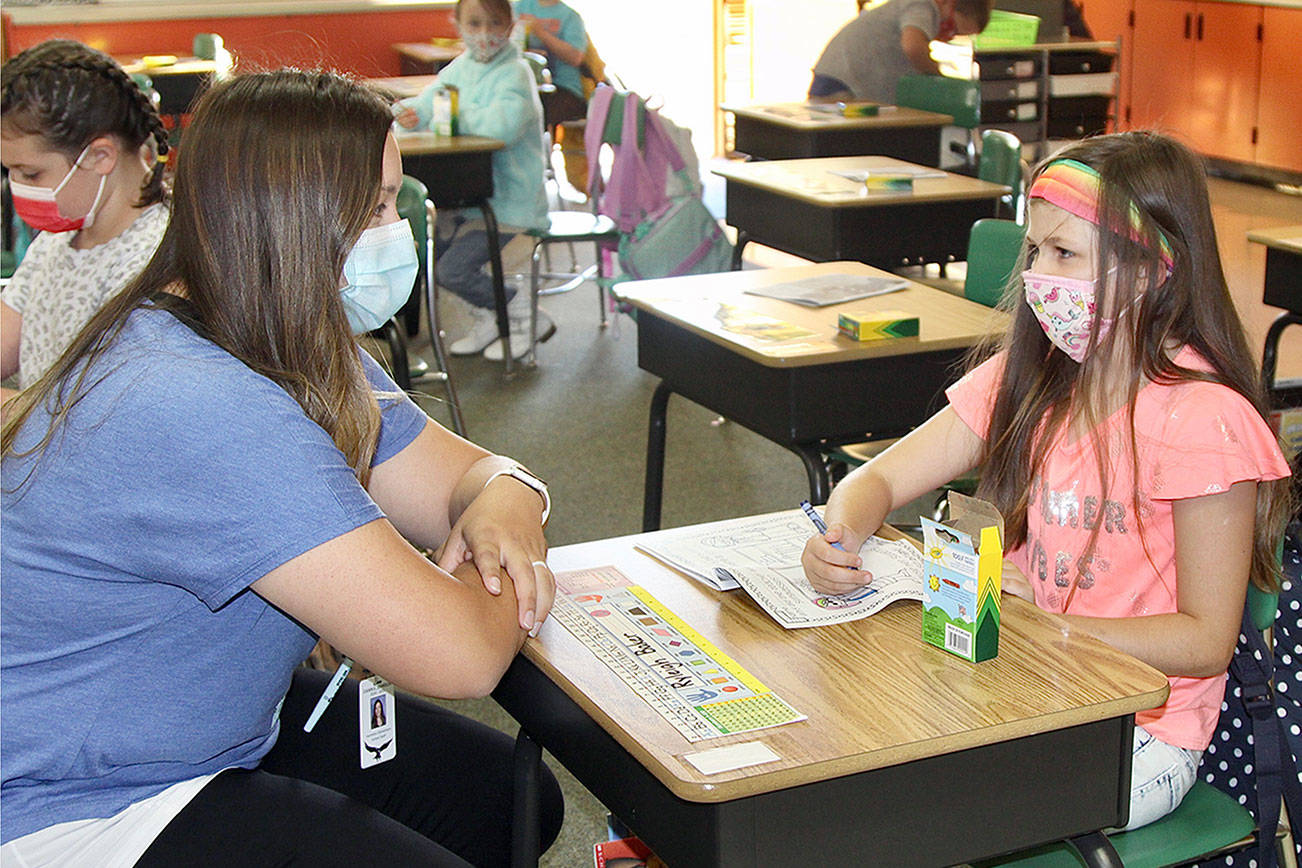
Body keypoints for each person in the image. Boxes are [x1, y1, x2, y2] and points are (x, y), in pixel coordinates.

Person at [1, 70, 563, 866]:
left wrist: (506, 497)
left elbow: (466, 476)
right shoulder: (194, 399)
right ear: (291, 222)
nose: (391, 231)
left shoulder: (273, 333)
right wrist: (501, 545)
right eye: (373, 209)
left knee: (507, 797)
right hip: (77, 806)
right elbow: (462, 652)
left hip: (192, 723)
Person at [801, 131, 1293, 831]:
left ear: (1153, 270)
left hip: (1141, 732)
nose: (1039, 275)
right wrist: (841, 532)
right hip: (1024, 689)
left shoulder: (1202, 422)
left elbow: (1205, 640)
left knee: (915, 809)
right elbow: (879, 478)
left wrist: (1043, 624)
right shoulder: (1027, 381)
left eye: (1065, 254)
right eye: (1036, 251)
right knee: (850, 746)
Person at [0, 39, 170, 400]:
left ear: (100, 156)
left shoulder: (156, 259)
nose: (16, 187)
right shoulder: (61, 237)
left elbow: (87, 419)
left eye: (30, 174)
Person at [396, 0, 552, 362]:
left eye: (494, 24)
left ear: (510, 26)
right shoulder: (459, 69)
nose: (484, 34)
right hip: (470, 201)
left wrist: (449, 112)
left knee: (452, 269)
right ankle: (491, 317)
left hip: (511, 204)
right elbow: (426, 103)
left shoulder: (516, 72)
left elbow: (503, 126)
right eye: (475, 23)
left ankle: (523, 315)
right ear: (458, 24)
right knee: (435, 265)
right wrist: (408, 114)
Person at [809, 0, 994, 104]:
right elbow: (913, 48)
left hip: (840, 81)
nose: (948, 36)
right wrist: (938, 77)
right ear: (948, 4)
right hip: (844, 86)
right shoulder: (922, 5)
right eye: (952, 28)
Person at [514, 0, 588, 129]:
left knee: (531, 111)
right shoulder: (518, 7)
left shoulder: (570, 16)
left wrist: (540, 33)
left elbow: (575, 57)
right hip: (522, 84)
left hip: (563, 88)